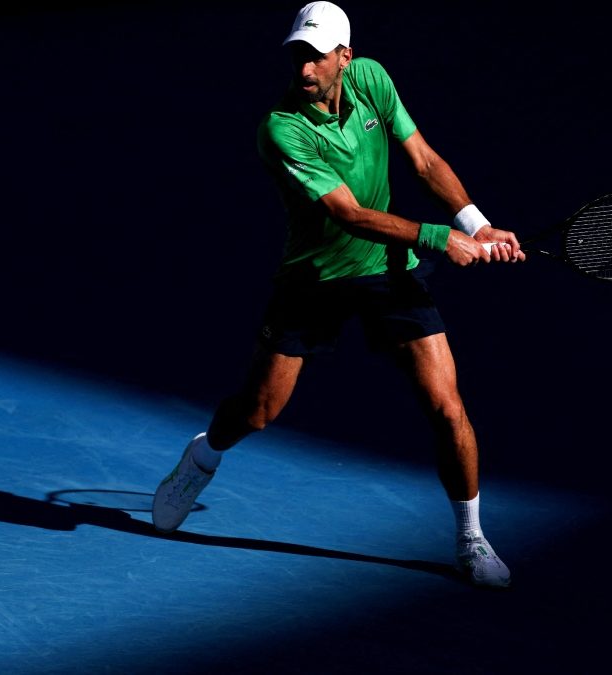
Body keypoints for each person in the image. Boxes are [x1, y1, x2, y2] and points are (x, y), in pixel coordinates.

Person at [151, 1, 524, 588]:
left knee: (447, 406)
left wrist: (476, 225)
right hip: (314, 279)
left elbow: (423, 159)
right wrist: (439, 237)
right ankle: (202, 456)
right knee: (259, 411)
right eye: (298, 54)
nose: (304, 69)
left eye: (317, 56)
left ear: (344, 57)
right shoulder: (282, 128)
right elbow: (347, 214)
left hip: (387, 269)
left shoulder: (373, 79)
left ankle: (471, 538)